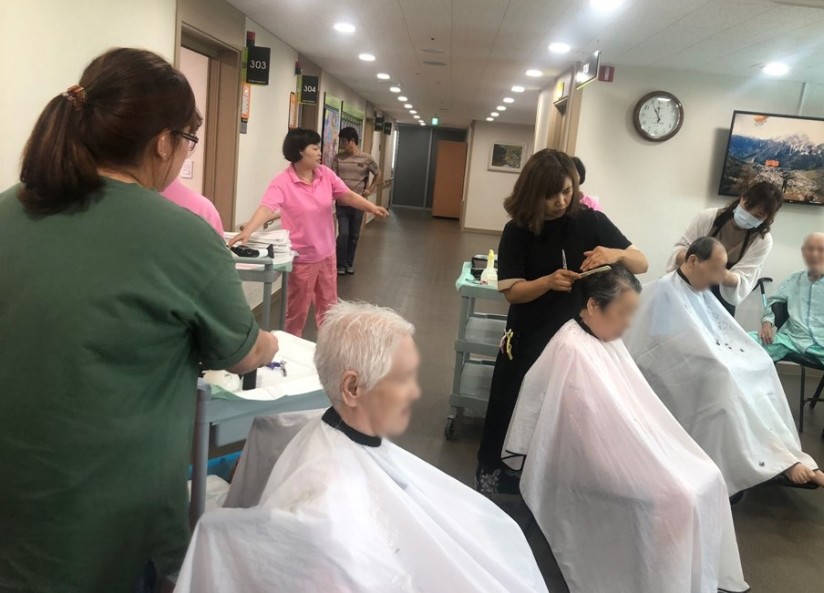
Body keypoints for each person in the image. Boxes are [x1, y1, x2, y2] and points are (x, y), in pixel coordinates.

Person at [0, 48, 279, 593]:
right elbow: (242, 353)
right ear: (162, 143)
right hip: (105, 520)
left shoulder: (10, 208)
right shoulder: (181, 235)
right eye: (188, 140)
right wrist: (270, 341)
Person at [175, 302, 548, 593]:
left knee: (501, 539)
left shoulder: (319, 434)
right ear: (353, 388)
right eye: (403, 379)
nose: (415, 393)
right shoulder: (326, 511)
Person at [504, 266, 748, 593]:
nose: (628, 324)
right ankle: (662, 582)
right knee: (679, 496)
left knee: (710, 476)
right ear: (593, 305)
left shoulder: (604, 339)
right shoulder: (572, 350)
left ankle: (689, 577)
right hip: (592, 460)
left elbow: (630, 408)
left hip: (625, 446)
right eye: (623, 313)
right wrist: (642, 455)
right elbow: (579, 438)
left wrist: (649, 445)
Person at [475, 149, 648, 493]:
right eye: (551, 195)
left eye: (567, 191)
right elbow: (512, 292)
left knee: (563, 415)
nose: (561, 202)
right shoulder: (517, 231)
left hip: (575, 341)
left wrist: (615, 254)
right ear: (532, 194)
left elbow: (641, 262)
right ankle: (500, 477)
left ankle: (546, 484)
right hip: (529, 336)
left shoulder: (590, 221)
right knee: (514, 406)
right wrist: (547, 282)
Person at [625, 237, 824, 496]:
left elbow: (716, 332)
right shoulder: (662, 291)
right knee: (726, 376)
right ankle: (760, 462)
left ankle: (786, 454)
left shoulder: (698, 291)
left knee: (761, 364)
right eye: (715, 270)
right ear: (693, 261)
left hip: (703, 358)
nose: (718, 278)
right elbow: (651, 344)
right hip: (673, 366)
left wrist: (722, 352)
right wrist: (709, 354)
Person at [231, 128, 388, 336]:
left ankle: (328, 348)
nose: (319, 152)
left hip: (327, 254)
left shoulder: (325, 174)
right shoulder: (283, 182)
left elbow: (347, 195)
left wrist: (372, 208)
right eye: (314, 148)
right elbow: (267, 207)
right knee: (296, 313)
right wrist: (249, 230)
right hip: (302, 258)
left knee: (329, 310)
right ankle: (289, 348)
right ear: (299, 151)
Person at [757, 233, 824, 452]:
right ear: (803, 252)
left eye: (820, 249)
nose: (814, 253)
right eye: (809, 248)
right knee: (747, 344)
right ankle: (750, 407)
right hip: (793, 338)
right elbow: (774, 302)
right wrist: (767, 322)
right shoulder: (793, 279)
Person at [667, 180, 783, 315]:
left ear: (767, 219)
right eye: (747, 206)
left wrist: (715, 272)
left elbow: (742, 279)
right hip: (686, 285)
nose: (748, 215)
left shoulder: (762, 241)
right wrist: (695, 264)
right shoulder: (708, 218)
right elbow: (679, 251)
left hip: (720, 297)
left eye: (758, 216)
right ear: (742, 198)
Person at [332, 126, 382, 275]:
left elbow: (378, 173)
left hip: (359, 203)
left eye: (343, 141)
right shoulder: (338, 158)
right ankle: (340, 264)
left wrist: (370, 189)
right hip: (342, 203)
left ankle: (349, 263)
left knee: (354, 235)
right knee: (344, 233)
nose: (341, 145)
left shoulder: (366, 158)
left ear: (352, 141)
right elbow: (332, 177)